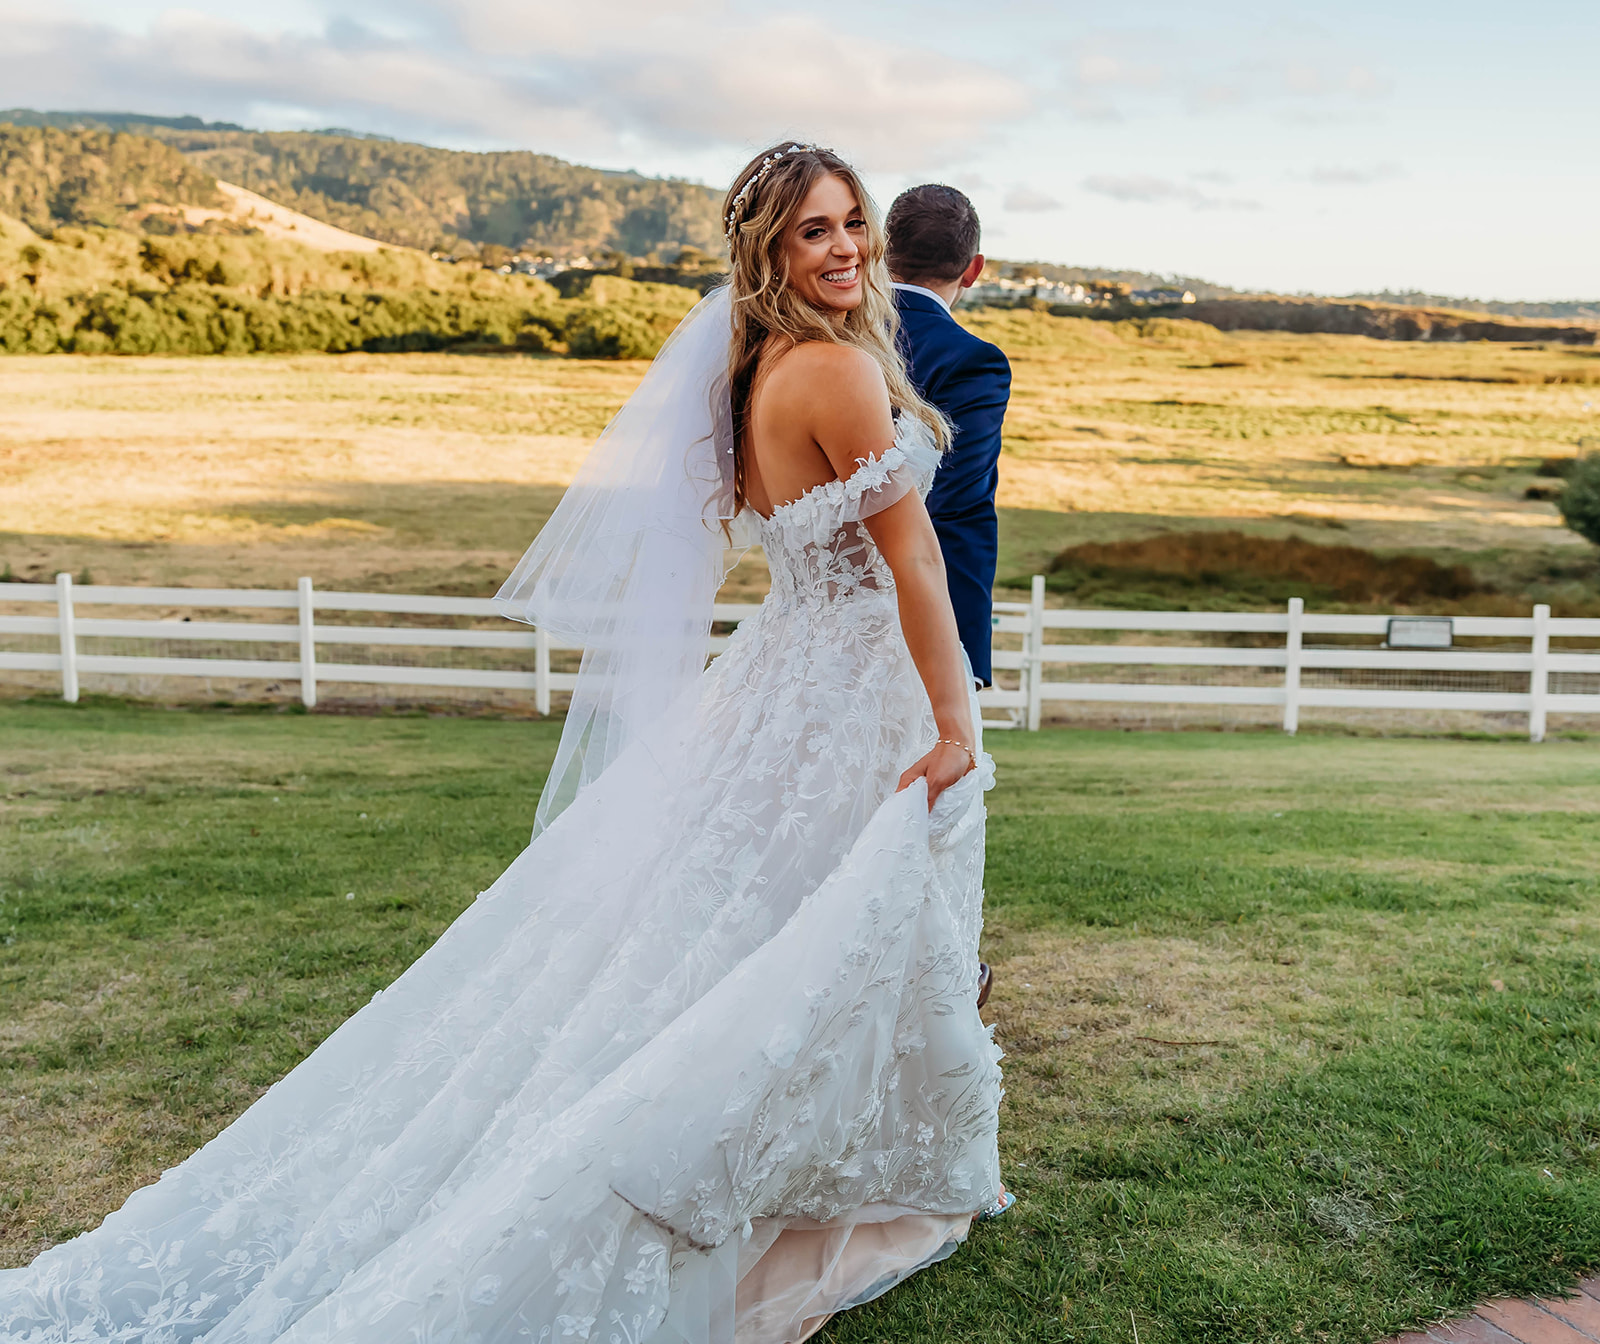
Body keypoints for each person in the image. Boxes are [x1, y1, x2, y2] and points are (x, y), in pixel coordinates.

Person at [0, 143, 1007, 1344]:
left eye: (851, 222)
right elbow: (911, 558)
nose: (843, 247)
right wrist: (954, 720)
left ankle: (831, 1163)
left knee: (776, 935)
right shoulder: (834, 369)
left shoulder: (757, 370)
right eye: (812, 231)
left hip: (790, 676)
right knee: (815, 932)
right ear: (767, 251)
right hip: (841, 686)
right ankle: (755, 1177)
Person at [886, 184, 1012, 690]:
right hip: (918, 626)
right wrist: (966, 658)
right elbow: (960, 506)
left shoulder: (814, 334)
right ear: (973, 269)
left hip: (805, 614)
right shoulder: (971, 361)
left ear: (881, 252)